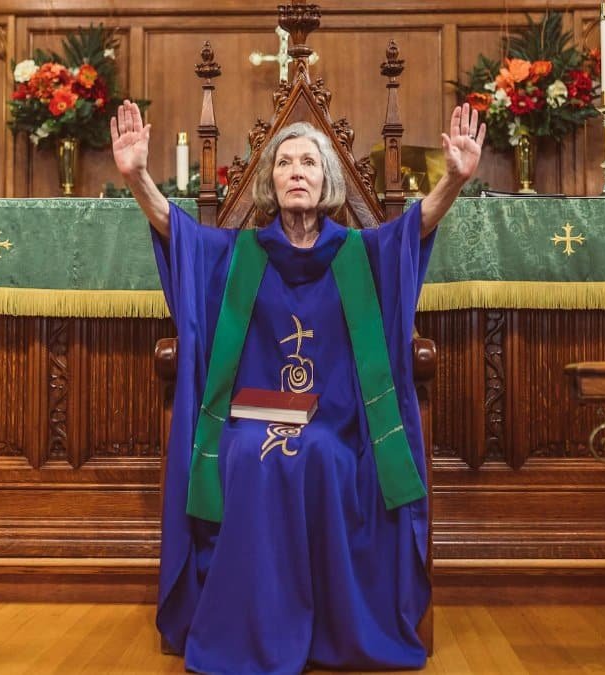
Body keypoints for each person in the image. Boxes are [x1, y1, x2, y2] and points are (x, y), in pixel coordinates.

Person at [111, 99, 483, 674]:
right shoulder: (241, 256)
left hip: (338, 424)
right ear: (271, 182)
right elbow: (176, 232)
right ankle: (251, 629)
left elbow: (416, 226)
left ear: (327, 180)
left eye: (309, 161)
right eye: (285, 163)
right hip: (247, 421)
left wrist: (455, 178)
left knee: (324, 458)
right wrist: (136, 176)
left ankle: (330, 627)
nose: (297, 172)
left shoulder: (358, 253)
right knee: (245, 459)